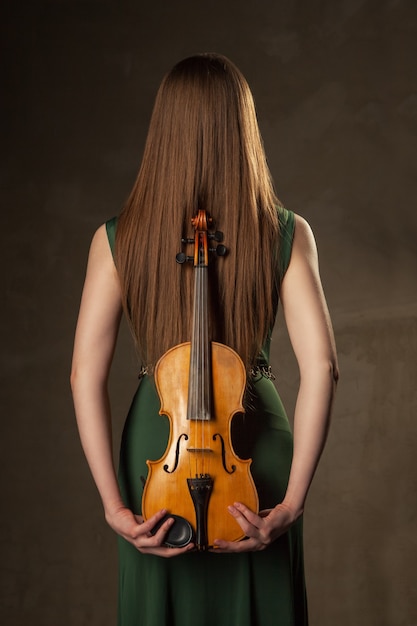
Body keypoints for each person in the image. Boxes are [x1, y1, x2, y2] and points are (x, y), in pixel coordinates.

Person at [71, 53, 338, 626]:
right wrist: (290, 502)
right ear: (242, 131)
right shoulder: (286, 232)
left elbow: (83, 376)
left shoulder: (117, 239)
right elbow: (322, 368)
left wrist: (114, 505)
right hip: (250, 440)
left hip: (159, 446)